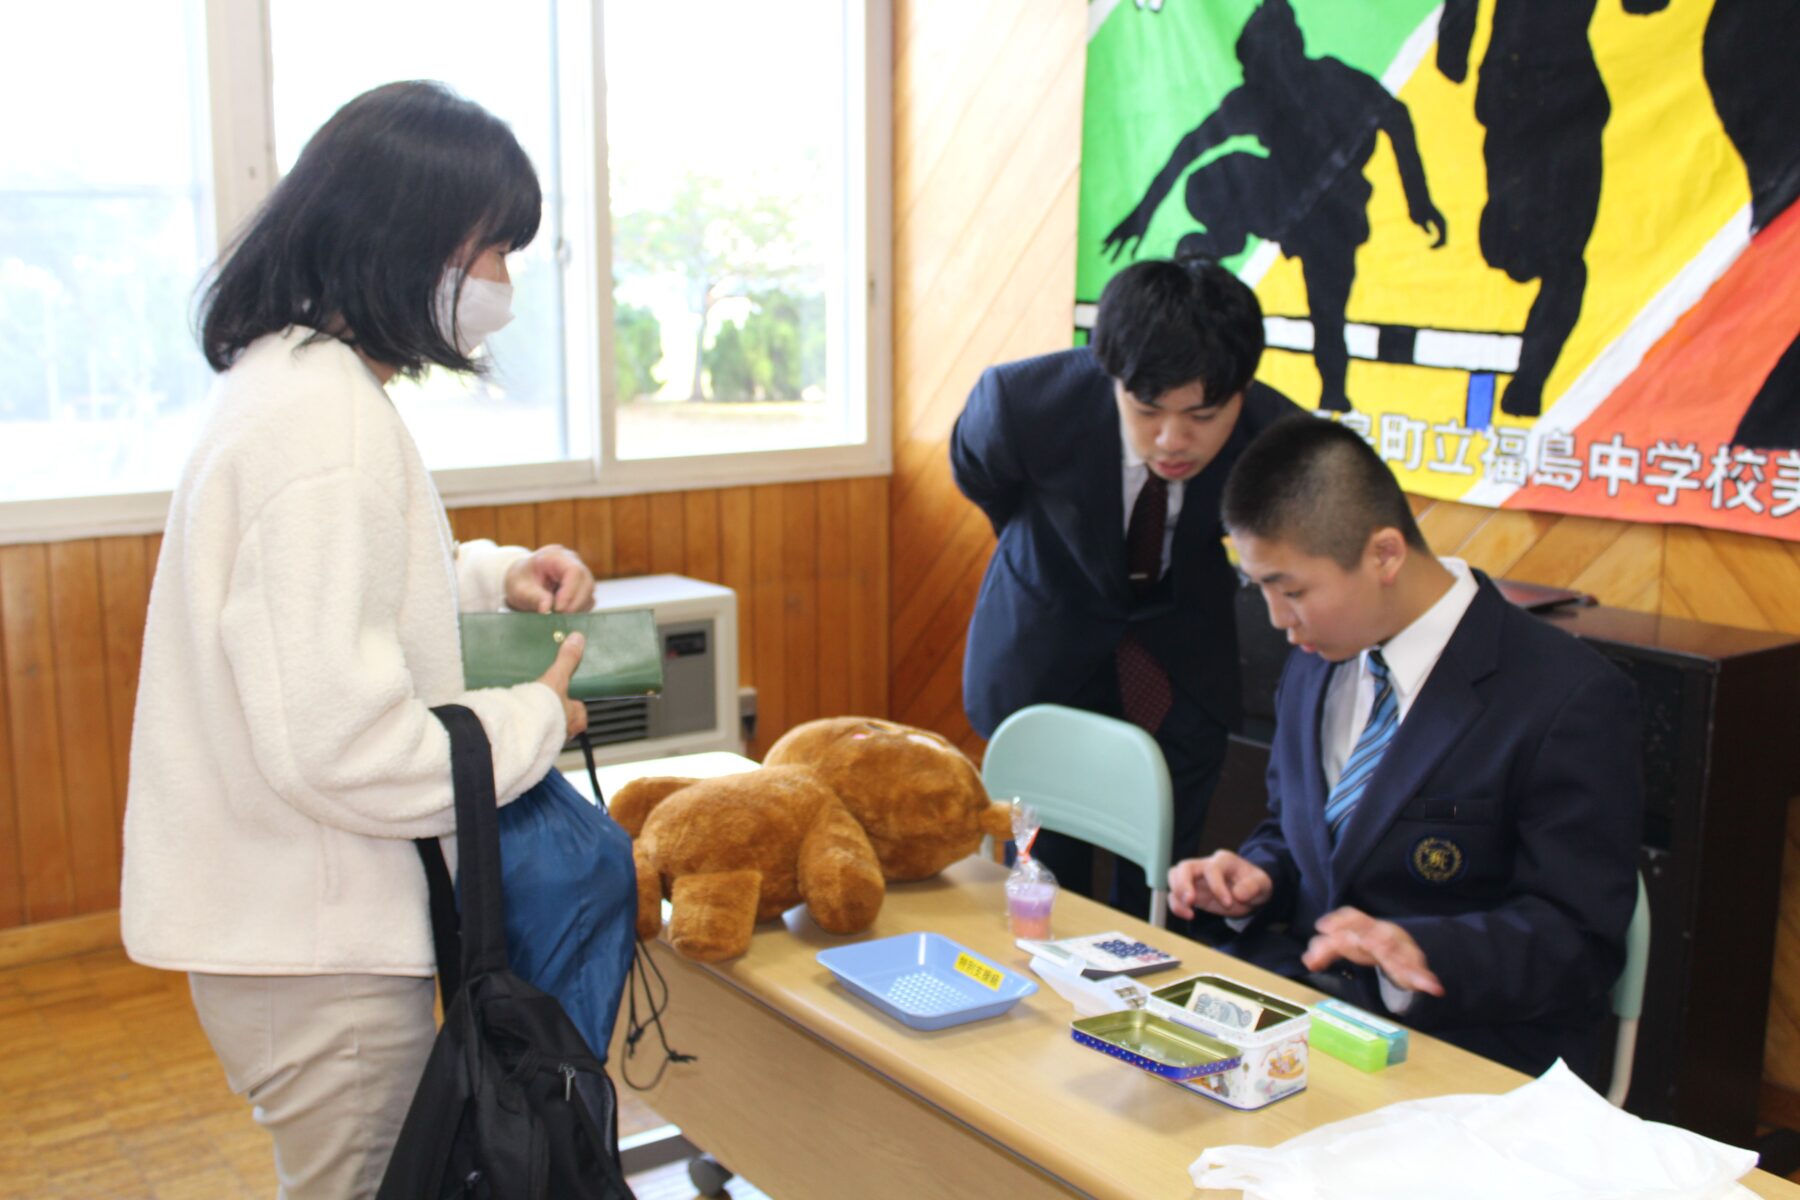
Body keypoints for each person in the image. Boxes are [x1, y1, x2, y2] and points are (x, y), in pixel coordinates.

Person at [120, 81, 593, 1199]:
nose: (502, 289)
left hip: (286, 929)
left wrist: (489, 579)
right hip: (315, 946)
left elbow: (331, 606)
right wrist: (537, 719)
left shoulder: (295, 383)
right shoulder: (319, 425)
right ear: (409, 240)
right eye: (492, 253)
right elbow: (343, 743)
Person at [1169, 416, 1641, 1082]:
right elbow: (1300, 827)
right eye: (1260, 587)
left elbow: (1578, 940)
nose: (1276, 618)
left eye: (1293, 590)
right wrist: (1258, 877)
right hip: (1310, 1018)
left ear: (1384, 554)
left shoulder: (1567, 697)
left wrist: (1422, 948)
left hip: (1466, 1052)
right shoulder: (1317, 656)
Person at [951, 257, 1300, 922]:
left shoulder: (1276, 436)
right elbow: (981, 479)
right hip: (1048, 633)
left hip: (1181, 652)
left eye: (1203, 414)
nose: (1173, 440)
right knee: (1045, 876)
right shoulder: (1021, 404)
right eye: (1147, 411)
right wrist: (1048, 548)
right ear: (1113, 377)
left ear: (1241, 391)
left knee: (1166, 880)